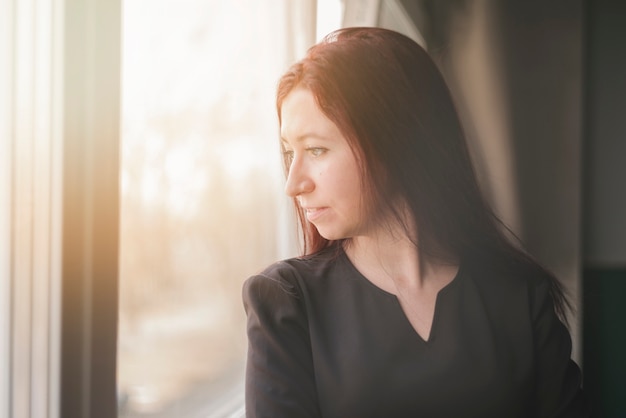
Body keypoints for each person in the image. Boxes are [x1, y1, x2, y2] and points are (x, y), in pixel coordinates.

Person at [242, 27, 588, 417]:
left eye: (317, 149)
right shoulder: (285, 302)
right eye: (291, 153)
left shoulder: (521, 295)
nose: (294, 184)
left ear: (397, 142)